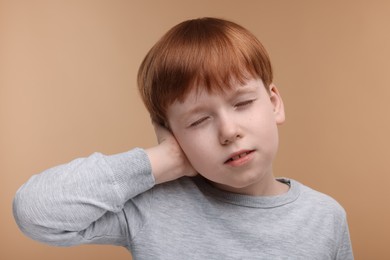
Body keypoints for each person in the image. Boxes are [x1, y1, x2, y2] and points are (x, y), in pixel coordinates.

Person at [13, 17, 353, 259]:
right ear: (170, 135)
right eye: (199, 120)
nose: (228, 131)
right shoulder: (154, 207)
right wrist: (163, 160)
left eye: (243, 103)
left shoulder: (325, 217)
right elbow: (35, 211)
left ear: (274, 103)